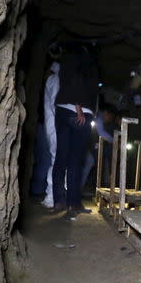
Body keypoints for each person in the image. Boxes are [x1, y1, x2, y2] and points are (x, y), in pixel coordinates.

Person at [51, 47, 98, 216]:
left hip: (62, 111)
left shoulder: (66, 61)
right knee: (75, 161)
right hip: (78, 113)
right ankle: (73, 203)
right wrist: (79, 108)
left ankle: (59, 201)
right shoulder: (84, 62)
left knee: (61, 158)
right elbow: (78, 82)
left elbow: (68, 82)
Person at [81, 104, 118, 190]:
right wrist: (114, 141)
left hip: (89, 147)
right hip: (85, 146)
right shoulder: (98, 118)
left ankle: (79, 189)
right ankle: (77, 190)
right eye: (110, 117)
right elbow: (101, 132)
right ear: (106, 113)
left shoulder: (100, 119)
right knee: (87, 165)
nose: (109, 120)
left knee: (88, 165)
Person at [41, 59, 60, 208]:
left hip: (53, 125)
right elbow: (55, 104)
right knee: (56, 160)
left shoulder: (52, 79)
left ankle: (54, 196)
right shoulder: (55, 79)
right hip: (56, 126)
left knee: (56, 160)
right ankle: (51, 197)